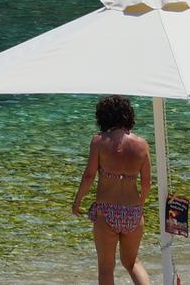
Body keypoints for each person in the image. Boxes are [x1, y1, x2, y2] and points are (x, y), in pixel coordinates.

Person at [72, 95, 153, 285]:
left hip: (107, 211)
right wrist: (139, 205)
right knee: (132, 262)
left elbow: (89, 176)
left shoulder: (99, 141)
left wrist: (77, 201)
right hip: (133, 212)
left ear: (103, 117)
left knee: (106, 268)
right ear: (128, 116)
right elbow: (147, 181)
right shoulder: (142, 144)